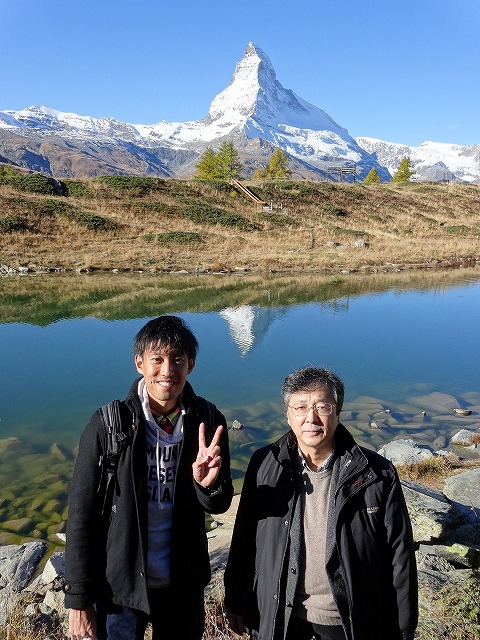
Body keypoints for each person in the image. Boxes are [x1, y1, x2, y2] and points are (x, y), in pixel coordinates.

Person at [64, 315, 233, 640]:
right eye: (157, 359)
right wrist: (78, 599)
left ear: (191, 365)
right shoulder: (109, 423)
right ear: (140, 363)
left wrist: (207, 485)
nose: (167, 370)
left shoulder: (208, 421)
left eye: (177, 360)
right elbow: (82, 513)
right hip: (120, 585)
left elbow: (220, 502)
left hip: (183, 584)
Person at [224, 366, 417, 640]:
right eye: (300, 407)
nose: (311, 418)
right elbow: (244, 540)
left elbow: (400, 555)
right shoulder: (264, 464)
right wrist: (235, 600)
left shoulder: (377, 474)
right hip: (282, 616)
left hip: (349, 622)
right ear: (288, 415)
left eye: (322, 407)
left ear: (337, 413)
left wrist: (403, 628)